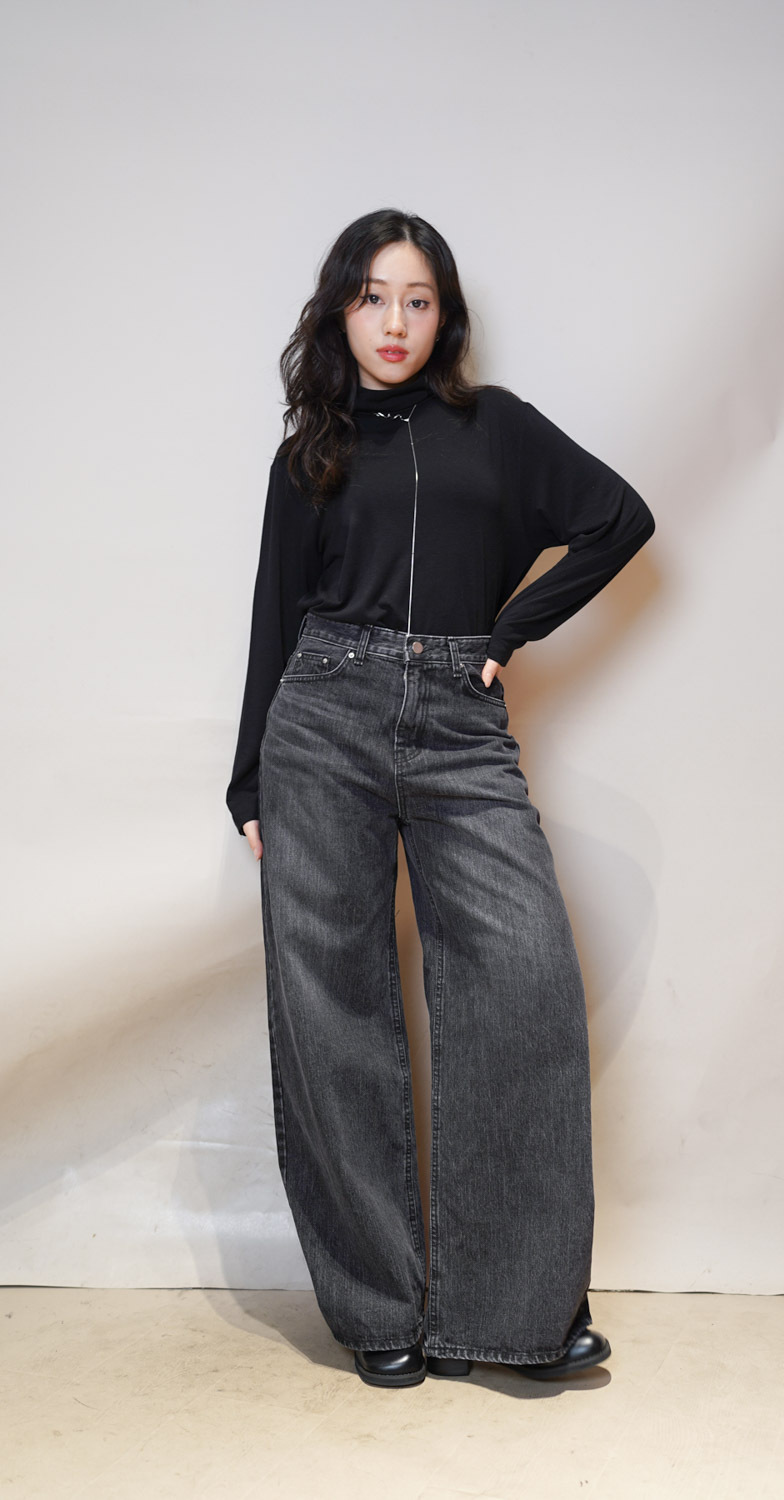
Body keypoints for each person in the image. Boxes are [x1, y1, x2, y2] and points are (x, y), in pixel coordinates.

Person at [226, 208, 656, 1388]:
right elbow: (274, 617)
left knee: (524, 978)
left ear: (444, 317)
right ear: (340, 312)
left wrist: (509, 632)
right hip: (322, 718)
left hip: (460, 721)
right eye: (372, 297)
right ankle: (379, 1311)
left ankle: (511, 1315)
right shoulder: (307, 456)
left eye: (417, 300)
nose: (395, 322)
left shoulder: (495, 427)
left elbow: (617, 519)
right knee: (335, 1012)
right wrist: (250, 776)